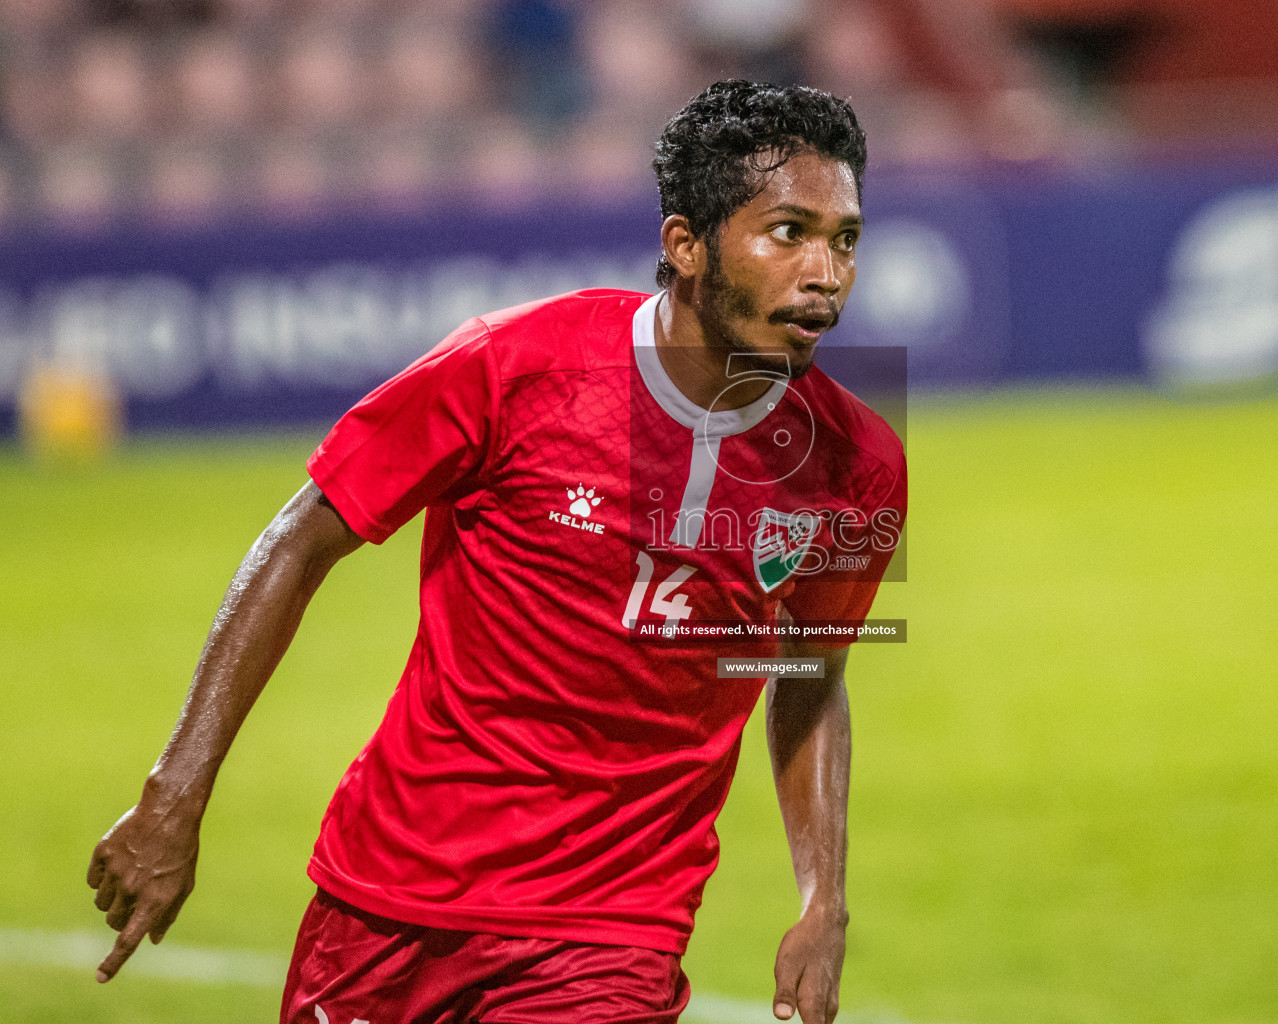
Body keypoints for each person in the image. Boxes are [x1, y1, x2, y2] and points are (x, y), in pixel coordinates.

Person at [86, 79, 906, 1024]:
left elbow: (809, 671)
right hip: (391, 900)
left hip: (613, 931)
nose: (826, 272)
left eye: (845, 239)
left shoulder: (858, 466)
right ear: (686, 245)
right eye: (789, 231)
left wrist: (823, 901)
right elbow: (302, 537)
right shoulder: (516, 368)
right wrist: (176, 793)